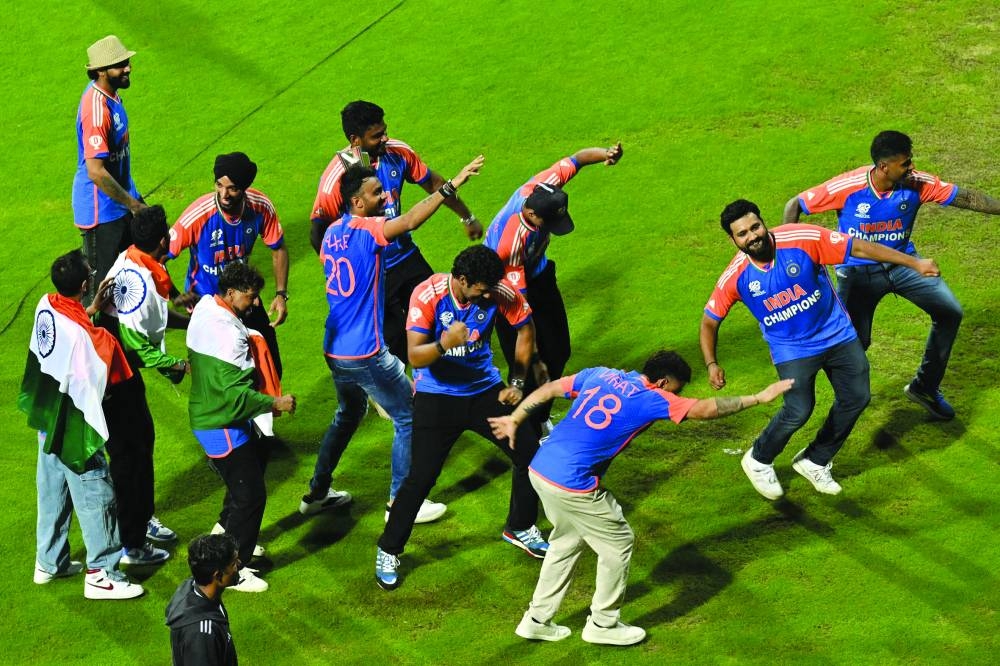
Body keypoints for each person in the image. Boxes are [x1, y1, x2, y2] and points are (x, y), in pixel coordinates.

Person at [489, 351, 793, 645]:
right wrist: (758, 398)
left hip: (541, 469)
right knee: (618, 543)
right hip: (572, 482)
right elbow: (704, 409)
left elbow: (551, 388)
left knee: (566, 542)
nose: (676, 395)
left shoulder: (602, 374)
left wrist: (515, 418)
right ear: (662, 382)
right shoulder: (652, 398)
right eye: (676, 389)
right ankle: (602, 624)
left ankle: (536, 620)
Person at [701, 199, 941, 500]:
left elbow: (859, 248)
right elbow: (709, 322)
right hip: (792, 349)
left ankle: (815, 459)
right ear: (733, 239)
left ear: (763, 222)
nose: (753, 236)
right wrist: (711, 363)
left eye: (755, 227)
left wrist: (914, 262)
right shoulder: (734, 277)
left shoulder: (803, 239)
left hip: (836, 333)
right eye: (742, 234)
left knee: (856, 397)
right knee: (799, 409)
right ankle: (758, 459)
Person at [302, 155, 485, 523]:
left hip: (333, 349)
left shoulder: (330, 236)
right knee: (408, 416)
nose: (385, 196)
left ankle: (317, 493)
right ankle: (400, 504)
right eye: (375, 193)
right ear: (356, 202)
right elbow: (413, 218)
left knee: (347, 414)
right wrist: (453, 184)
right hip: (365, 353)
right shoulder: (368, 230)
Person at [783, 130, 1000, 420]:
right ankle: (846, 401)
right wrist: (789, 256)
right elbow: (794, 204)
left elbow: (966, 198)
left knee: (950, 311)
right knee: (855, 344)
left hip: (903, 264)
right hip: (857, 272)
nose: (912, 168)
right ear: (884, 166)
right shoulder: (849, 187)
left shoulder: (917, 183)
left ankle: (925, 387)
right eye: (905, 163)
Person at [375, 245, 547, 590]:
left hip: (485, 392)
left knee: (530, 453)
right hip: (437, 398)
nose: (488, 296)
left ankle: (520, 525)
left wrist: (515, 381)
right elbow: (414, 356)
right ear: (463, 280)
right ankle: (388, 549)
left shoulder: (498, 290)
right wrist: (443, 343)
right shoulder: (427, 295)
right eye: (481, 289)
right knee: (420, 478)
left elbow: (525, 330)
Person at [309, 100, 482, 364]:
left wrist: (466, 216)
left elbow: (434, 184)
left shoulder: (398, 153)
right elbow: (318, 231)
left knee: (440, 312)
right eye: (376, 136)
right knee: (394, 342)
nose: (385, 138)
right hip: (372, 270)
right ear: (355, 140)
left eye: (384, 130)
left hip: (405, 255)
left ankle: (449, 379)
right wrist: (344, 269)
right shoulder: (337, 178)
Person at [19, 249, 143, 599]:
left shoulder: (46, 305)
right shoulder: (93, 339)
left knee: (53, 490)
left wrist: (89, 311)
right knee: (96, 494)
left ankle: (49, 561)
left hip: (48, 418)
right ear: (86, 284)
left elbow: (71, 329)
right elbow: (113, 377)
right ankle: (102, 573)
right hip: (76, 426)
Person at [484, 143, 623, 429]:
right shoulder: (510, 242)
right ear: (533, 216)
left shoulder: (543, 190)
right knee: (524, 365)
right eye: (551, 223)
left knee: (559, 351)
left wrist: (606, 154)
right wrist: (531, 347)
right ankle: (524, 429)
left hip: (539, 275)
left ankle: (540, 416)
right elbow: (520, 308)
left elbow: (578, 159)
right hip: (505, 289)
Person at [186, 262, 296, 592]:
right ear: (231, 293)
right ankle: (235, 566)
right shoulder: (232, 336)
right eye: (250, 297)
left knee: (246, 479)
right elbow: (236, 398)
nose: (256, 303)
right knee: (250, 495)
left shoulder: (207, 305)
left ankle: (227, 536)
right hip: (221, 423)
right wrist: (274, 403)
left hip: (209, 413)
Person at [101, 205, 190, 565]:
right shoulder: (135, 283)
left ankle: (141, 518)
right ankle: (131, 545)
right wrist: (175, 365)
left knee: (142, 442)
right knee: (127, 455)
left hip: (122, 373)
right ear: (161, 240)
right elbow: (136, 342)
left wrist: (187, 320)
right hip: (112, 378)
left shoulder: (136, 260)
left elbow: (156, 313)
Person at [168, 151, 288, 377]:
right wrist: (174, 295)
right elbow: (156, 257)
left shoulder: (260, 207)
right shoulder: (199, 215)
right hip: (207, 305)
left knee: (270, 368)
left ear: (244, 188)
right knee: (225, 375)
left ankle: (268, 407)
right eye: (219, 185)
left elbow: (278, 248)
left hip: (245, 299)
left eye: (232, 188)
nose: (224, 194)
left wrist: (281, 294)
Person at [72, 35, 147, 304]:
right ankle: (91, 342)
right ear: (101, 71)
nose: (127, 68)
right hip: (101, 212)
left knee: (139, 269)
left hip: (121, 202)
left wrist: (134, 197)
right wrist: (133, 204)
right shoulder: (96, 110)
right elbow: (96, 171)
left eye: (126, 61)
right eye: (120, 65)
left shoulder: (112, 96)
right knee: (98, 293)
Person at [165, 533, 241, 665]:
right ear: (218, 576)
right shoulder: (201, 634)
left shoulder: (202, 593)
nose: (238, 564)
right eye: (233, 563)